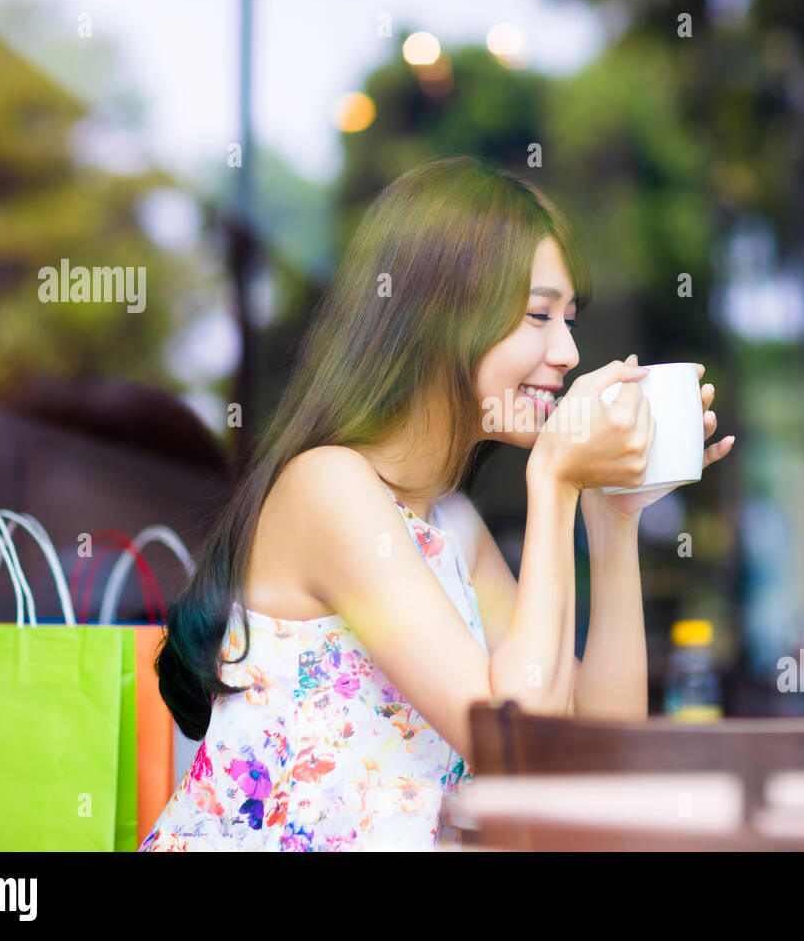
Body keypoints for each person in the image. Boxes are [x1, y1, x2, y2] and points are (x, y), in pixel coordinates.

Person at [143, 156, 734, 851]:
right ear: (441, 319)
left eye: (569, 320)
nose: (568, 350)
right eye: (538, 315)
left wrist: (613, 517)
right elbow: (516, 747)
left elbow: (587, 759)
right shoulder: (328, 487)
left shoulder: (451, 524)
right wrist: (555, 481)